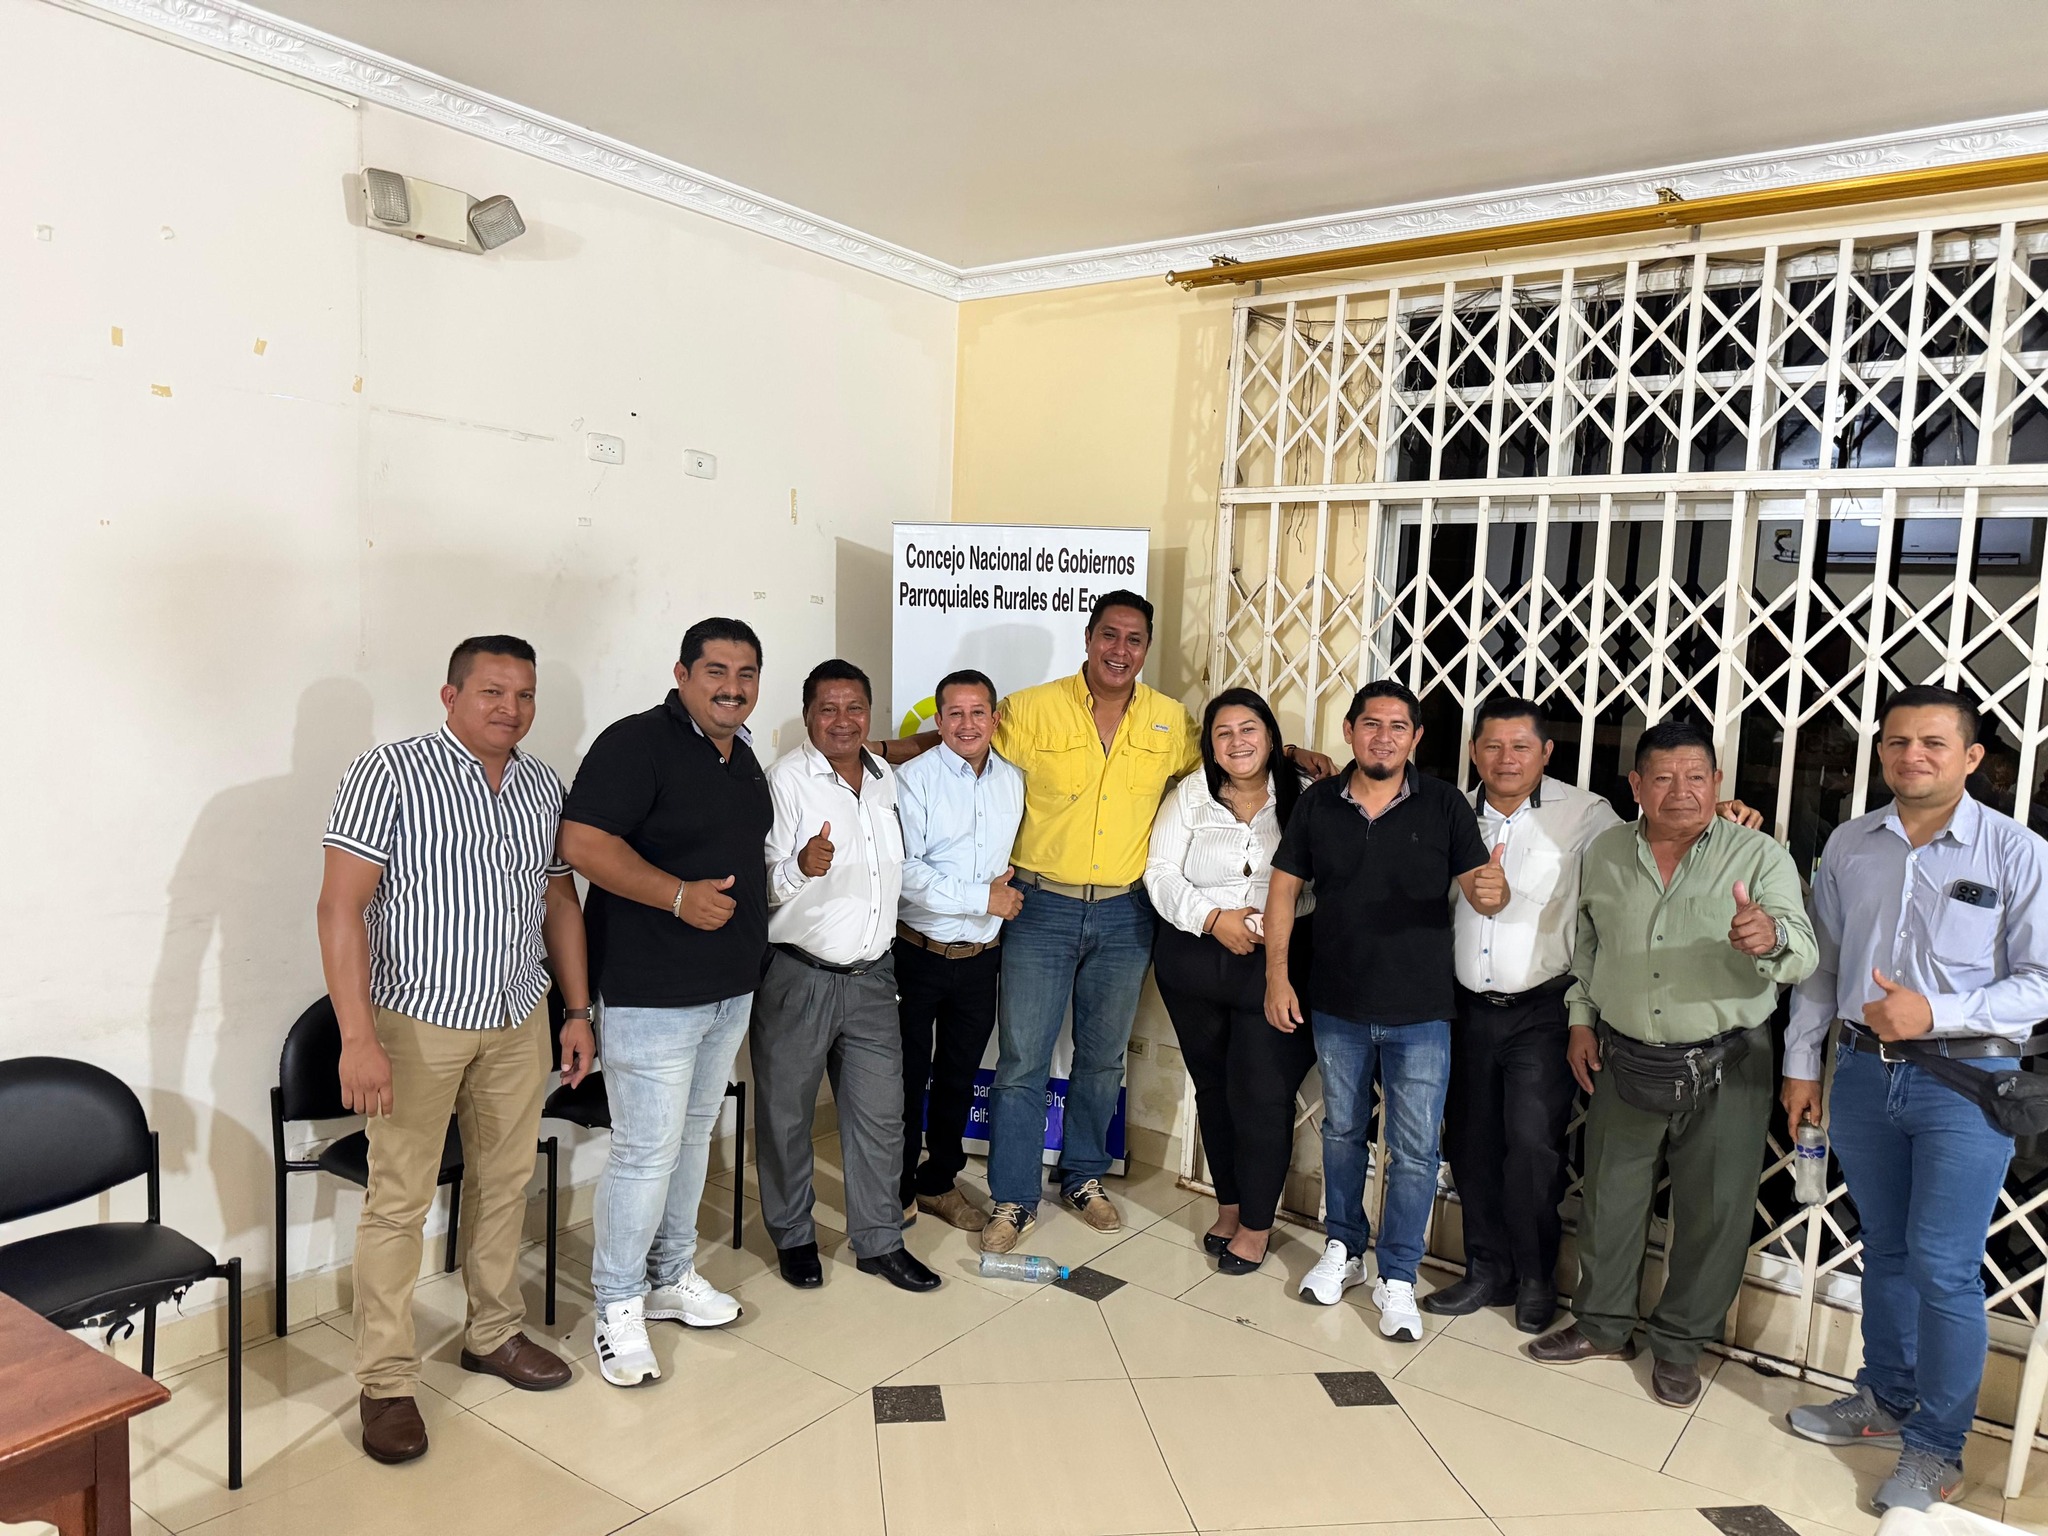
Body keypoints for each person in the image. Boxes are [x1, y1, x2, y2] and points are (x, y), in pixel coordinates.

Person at [978, 590, 1333, 1253]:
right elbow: (965, 742)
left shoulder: (1170, 721)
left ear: (1146, 648)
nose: (1120, 650)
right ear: (1088, 638)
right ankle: (1014, 1199)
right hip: (1042, 905)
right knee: (1023, 1059)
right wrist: (882, 748)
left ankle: (1083, 1176)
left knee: (1102, 1056)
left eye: (1134, 639)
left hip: (1125, 913)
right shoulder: (1030, 708)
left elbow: (1237, 754)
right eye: (1109, 635)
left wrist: (1292, 756)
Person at [319, 636, 589, 1463]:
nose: (511, 709)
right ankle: (385, 1381)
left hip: (518, 1013)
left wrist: (577, 1010)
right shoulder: (389, 773)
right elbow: (339, 907)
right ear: (450, 695)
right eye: (492, 692)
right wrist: (356, 1036)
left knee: (504, 1184)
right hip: (416, 1021)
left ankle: (493, 1333)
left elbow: (559, 900)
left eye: (525, 695)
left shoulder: (543, 784)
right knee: (398, 1201)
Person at [1782, 686, 2048, 1515]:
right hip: (1865, 1075)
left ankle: (1937, 1447)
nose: (1913, 756)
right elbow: (1824, 966)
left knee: (1943, 1265)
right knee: (1886, 1249)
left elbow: (2040, 981)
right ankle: (1886, 1396)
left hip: (1966, 1083)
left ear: (1972, 757)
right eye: (1898, 742)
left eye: (1934, 743)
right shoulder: (1851, 844)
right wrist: (1801, 1063)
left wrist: (1937, 1012)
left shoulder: (2018, 852)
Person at [1527, 718, 1815, 1409]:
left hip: (1728, 1062)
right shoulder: (1606, 853)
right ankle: (1602, 1326)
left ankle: (1681, 1346)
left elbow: (1803, 951)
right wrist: (1580, 1020)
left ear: (1717, 783)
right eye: (1662, 777)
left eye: (1695, 777)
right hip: (1624, 1055)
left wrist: (1769, 935)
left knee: (1713, 1213)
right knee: (1610, 1199)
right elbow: (1589, 947)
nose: (1680, 791)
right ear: (1636, 785)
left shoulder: (1758, 855)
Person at [558, 617, 770, 1388]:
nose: (732, 687)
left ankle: (670, 1276)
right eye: (716, 671)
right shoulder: (636, 742)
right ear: (682, 675)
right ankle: (617, 1305)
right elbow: (582, 843)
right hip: (651, 993)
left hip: (728, 989)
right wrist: (677, 896)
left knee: (691, 1139)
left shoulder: (741, 755)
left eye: (746, 674)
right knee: (645, 1152)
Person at [1265, 679, 1506, 1342]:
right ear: (1350, 731)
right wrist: (1277, 977)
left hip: (1422, 1011)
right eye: (1372, 724)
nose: (1384, 737)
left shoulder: (1446, 804)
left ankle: (1397, 1274)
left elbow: (1481, 893)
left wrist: (1494, 890)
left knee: (1416, 1151)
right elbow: (1283, 892)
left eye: (1399, 726)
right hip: (1337, 1003)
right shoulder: (1318, 804)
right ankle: (1343, 1249)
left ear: (1416, 738)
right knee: (1342, 1133)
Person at [1425, 696, 1621, 1335]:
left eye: (1520, 747)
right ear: (1473, 751)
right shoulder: (1451, 811)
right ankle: (1487, 1270)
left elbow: (1640, 863)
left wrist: (1726, 817)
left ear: (1546, 752)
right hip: (1463, 1009)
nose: (1505, 759)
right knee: (1471, 1142)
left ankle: (1537, 1277)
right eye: (1492, 746)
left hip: (1542, 1009)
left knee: (1534, 1148)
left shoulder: (1586, 816)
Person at [755, 659, 940, 1293]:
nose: (842, 720)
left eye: (854, 707)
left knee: (881, 1117)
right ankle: (793, 1236)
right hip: (798, 976)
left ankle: (879, 1241)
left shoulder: (885, 779)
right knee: (787, 1117)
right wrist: (800, 867)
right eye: (828, 709)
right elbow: (759, 888)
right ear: (807, 716)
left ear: (870, 713)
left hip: (873, 979)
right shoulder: (784, 782)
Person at [1146, 687, 1315, 1275]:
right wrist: (1213, 918)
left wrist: (1269, 924)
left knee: (1262, 1094)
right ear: (1210, 743)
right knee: (1214, 1090)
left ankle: (1257, 1225)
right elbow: (1160, 873)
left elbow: (1327, 877)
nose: (1237, 742)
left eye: (1249, 730)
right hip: (1195, 961)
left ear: (1270, 737)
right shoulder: (1189, 796)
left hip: (1278, 965)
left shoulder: (1305, 795)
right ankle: (1230, 1205)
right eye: (1224, 732)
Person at [894, 668, 1024, 1232]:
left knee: (958, 1075)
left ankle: (938, 1182)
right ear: (939, 720)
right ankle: (896, 1187)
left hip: (980, 958)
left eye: (978, 713)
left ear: (995, 718)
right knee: (904, 1078)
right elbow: (905, 873)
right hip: (917, 955)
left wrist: (993, 903)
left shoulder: (1013, 780)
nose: (967, 724)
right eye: (955, 714)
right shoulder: (913, 780)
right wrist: (982, 897)